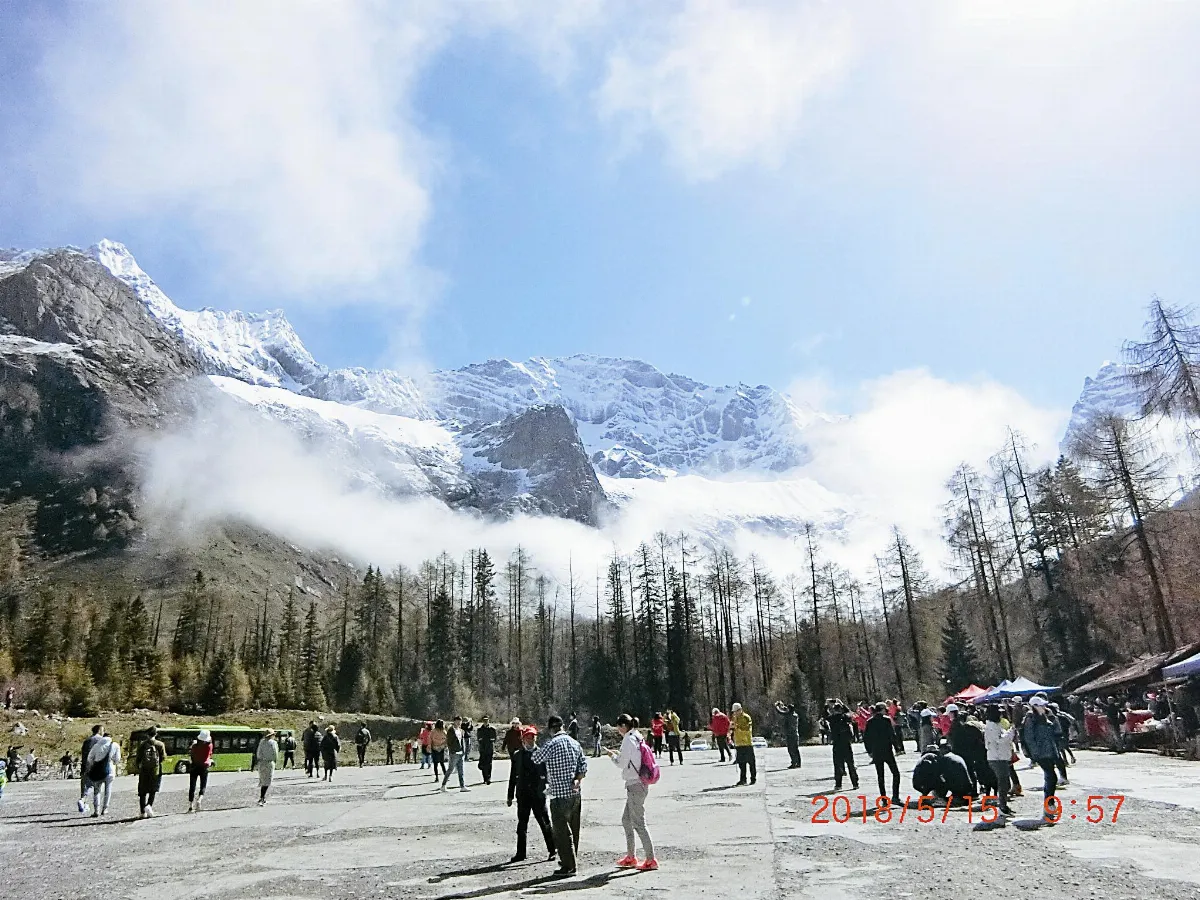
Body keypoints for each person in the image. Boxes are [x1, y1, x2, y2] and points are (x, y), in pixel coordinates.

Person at [532, 714, 588, 878]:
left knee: (562, 832)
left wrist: (534, 744)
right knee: (574, 829)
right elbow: (583, 766)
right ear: (563, 727)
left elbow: (536, 758)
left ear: (551, 729)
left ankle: (568, 865)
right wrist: (577, 779)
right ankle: (572, 860)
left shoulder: (551, 744)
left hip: (558, 794)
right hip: (575, 793)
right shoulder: (575, 743)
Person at [605, 713, 658, 871]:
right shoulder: (636, 735)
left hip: (635, 784)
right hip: (639, 782)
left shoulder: (627, 740)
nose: (617, 731)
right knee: (626, 820)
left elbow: (622, 763)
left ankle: (650, 859)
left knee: (639, 823)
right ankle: (631, 856)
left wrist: (612, 756)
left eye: (618, 728)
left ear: (622, 726)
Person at [507, 726, 556, 863]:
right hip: (523, 795)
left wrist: (549, 788)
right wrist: (510, 795)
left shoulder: (542, 753)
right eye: (528, 737)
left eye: (533, 737)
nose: (531, 739)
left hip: (538, 795)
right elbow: (512, 776)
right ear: (523, 738)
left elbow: (548, 774)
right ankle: (521, 853)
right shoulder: (517, 755)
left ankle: (553, 850)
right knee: (522, 825)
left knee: (545, 823)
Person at [1022, 697, 1061, 822]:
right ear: (1035, 706)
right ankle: (1049, 805)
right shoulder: (1030, 719)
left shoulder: (1046, 717)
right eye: (1042, 705)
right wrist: (1035, 754)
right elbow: (1029, 738)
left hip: (1050, 751)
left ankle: (1049, 804)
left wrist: (1053, 717)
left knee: (1050, 777)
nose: (1044, 707)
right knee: (1051, 777)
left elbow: (1057, 730)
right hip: (1041, 753)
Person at [863, 703, 900, 803]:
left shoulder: (870, 721)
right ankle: (895, 796)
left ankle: (883, 798)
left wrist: (869, 750)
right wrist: (897, 747)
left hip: (876, 751)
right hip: (887, 750)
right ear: (882, 709)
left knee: (880, 776)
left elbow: (866, 738)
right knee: (895, 773)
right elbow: (892, 734)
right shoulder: (886, 720)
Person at [983, 706, 1017, 816]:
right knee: (1003, 784)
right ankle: (1002, 807)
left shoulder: (996, 725)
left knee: (1005, 783)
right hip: (997, 758)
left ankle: (1004, 805)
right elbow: (999, 739)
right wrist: (1011, 732)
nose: (1001, 715)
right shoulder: (991, 726)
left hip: (1001, 756)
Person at [85, 731, 120, 817]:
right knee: (108, 790)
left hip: (98, 770)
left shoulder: (96, 745)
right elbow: (117, 759)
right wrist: (113, 763)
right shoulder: (115, 745)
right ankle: (105, 809)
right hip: (110, 770)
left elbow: (89, 758)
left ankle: (96, 810)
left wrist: (94, 764)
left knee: (97, 790)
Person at [136, 726, 166, 818]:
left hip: (144, 770)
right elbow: (163, 757)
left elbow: (138, 758)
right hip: (155, 771)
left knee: (142, 792)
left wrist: (138, 766)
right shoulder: (160, 744)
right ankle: (149, 805)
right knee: (153, 790)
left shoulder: (143, 745)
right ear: (156, 734)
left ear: (147, 734)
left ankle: (142, 812)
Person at [828, 702, 859, 791]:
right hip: (846, 743)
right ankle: (855, 783)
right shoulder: (846, 717)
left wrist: (827, 705)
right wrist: (843, 704)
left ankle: (838, 784)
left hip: (837, 743)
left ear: (834, 710)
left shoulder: (832, 718)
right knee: (850, 764)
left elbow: (825, 714)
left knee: (838, 764)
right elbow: (850, 712)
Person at [78, 724, 103, 814]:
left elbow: (83, 755)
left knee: (86, 785)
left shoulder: (87, 741)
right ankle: (97, 809)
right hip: (96, 766)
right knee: (96, 788)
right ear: (99, 730)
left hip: (86, 766)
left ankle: (83, 801)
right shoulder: (101, 740)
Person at [731, 702, 757, 786]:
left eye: (736, 711)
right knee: (741, 764)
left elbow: (747, 728)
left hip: (747, 743)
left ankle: (753, 778)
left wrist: (737, 727)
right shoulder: (735, 718)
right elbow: (733, 728)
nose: (735, 713)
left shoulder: (746, 717)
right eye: (734, 712)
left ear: (740, 710)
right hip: (739, 744)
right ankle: (743, 779)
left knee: (751, 762)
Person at [441, 717, 469, 792]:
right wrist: (452, 751)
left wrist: (464, 751)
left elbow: (463, 741)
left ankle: (462, 786)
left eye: (460, 721)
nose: (459, 723)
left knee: (461, 770)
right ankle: (443, 785)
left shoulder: (461, 731)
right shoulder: (451, 730)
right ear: (454, 722)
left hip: (461, 753)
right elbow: (449, 742)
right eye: (457, 721)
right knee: (450, 769)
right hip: (454, 753)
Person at [188, 730, 213, 812]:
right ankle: (199, 800)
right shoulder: (209, 746)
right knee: (203, 785)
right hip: (204, 767)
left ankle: (190, 806)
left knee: (192, 786)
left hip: (194, 766)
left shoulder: (194, 746)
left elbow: (191, 754)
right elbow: (209, 755)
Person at [775, 701, 802, 769]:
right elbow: (787, 711)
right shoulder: (795, 715)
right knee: (796, 749)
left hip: (790, 735)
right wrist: (783, 707)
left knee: (790, 749)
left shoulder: (789, 715)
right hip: (795, 734)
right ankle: (798, 763)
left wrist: (777, 707)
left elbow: (781, 712)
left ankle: (793, 763)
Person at [256, 729, 279, 806]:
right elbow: (275, 753)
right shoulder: (273, 743)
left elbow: (258, 753)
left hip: (262, 763)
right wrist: (275, 761)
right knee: (268, 781)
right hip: (269, 762)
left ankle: (262, 797)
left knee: (263, 780)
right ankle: (262, 797)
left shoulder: (261, 742)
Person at [477, 715, 498, 785]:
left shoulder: (492, 729)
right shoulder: (480, 730)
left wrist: (490, 740)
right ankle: (484, 778)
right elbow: (479, 739)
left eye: (487, 720)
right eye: (484, 720)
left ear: (488, 721)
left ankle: (488, 778)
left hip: (489, 749)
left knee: (489, 764)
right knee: (483, 764)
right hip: (482, 749)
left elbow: (494, 739)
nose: (485, 722)